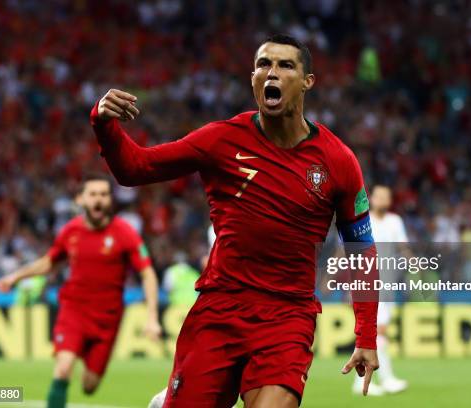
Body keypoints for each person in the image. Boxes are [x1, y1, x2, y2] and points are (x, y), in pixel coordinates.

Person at [91, 34, 379, 408]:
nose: (271, 72)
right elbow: (135, 168)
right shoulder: (221, 140)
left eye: (285, 65)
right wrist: (103, 121)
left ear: (307, 81)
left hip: (287, 316)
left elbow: (361, 249)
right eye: (263, 65)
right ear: (254, 79)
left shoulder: (338, 160)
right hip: (220, 310)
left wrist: (367, 336)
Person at [0, 174, 161, 408]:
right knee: (62, 369)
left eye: (103, 195)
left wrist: (152, 317)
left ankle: (87, 360)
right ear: (81, 199)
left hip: (107, 319)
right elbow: (48, 262)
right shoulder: (70, 231)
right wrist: (15, 276)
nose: (98, 200)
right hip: (74, 310)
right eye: (93, 194)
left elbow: (148, 274)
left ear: (110, 201)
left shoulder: (125, 234)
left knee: (89, 386)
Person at [353, 185, 409, 396]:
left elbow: (403, 248)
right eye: (379, 196)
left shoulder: (395, 221)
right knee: (375, 332)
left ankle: (372, 381)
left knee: (374, 333)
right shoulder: (363, 221)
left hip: (387, 284)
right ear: (372, 199)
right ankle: (381, 380)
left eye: (387, 196)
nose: (382, 200)